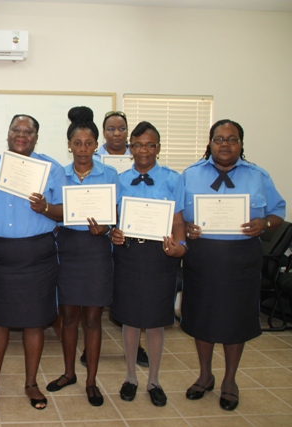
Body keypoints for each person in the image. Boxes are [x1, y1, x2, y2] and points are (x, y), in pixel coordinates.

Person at [177, 119, 285, 411]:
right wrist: (186, 227)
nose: (225, 144)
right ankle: (204, 375)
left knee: (236, 319)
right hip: (202, 257)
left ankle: (229, 380)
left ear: (241, 144)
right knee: (202, 315)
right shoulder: (189, 175)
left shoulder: (258, 176)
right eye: (219, 139)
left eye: (232, 139)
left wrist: (264, 223)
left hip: (241, 260)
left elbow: (278, 213)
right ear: (210, 143)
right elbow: (177, 216)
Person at [0, 114, 64, 411]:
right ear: (7, 134)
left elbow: (64, 212)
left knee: (35, 323)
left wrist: (45, 207)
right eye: (16, 130)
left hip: (37, 255)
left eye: (28, 131)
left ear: (36, 137)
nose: (21, 135)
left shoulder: (52, 169)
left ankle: (31, 383)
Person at [45, 107, 120, 407]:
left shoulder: (110, 173)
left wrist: (107, 224)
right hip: (67, 247)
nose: (83, 149)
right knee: (69, 317)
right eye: (77, 143)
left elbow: (116, 211)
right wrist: (43, 209)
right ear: (69, 145)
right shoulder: (57, 174)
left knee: (92, 318)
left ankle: (91, 381)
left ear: (95, 145)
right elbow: (52, 210)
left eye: (89, 143)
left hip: (96, 249)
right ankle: (68, 373)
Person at [109, 121, 186, 407]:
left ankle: (153, 380)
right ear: (130, 147)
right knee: (129, 319)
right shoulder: (118, 179)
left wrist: (180, 248)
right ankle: (131, 376)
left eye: (150, 145)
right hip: (128, 254)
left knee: (155, 321)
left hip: (161, 256)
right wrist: (113, 234)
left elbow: (179, 222)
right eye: (138, 144)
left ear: (158, 148)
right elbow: (113, 219)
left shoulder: (174, 179)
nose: (144, 150)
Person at [89, 110, 148, 368]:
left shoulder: (140, 158)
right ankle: (90, 348)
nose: (116, 133)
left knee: (132, 293)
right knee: (97, 297)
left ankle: (137, 347)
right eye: (111, 129)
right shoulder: (91, 158)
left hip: (132, 237)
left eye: (121, 128)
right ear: (103, 133)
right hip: (100, 238)